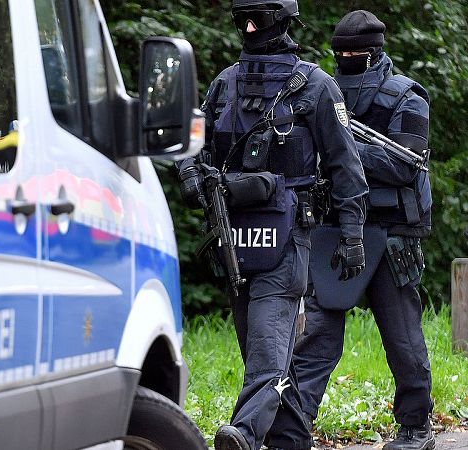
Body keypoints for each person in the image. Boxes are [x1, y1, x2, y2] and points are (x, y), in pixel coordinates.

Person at [177, 2, 368, 449]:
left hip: (288, 238)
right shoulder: (226, 84)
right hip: (235, 236)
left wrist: (353, 232)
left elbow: (346, 165)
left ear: (281, 20)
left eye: (257, 19)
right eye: (240, 18)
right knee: (260, 350)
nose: (247, 28)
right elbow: (194, 144)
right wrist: (190, 172)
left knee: (267, 345)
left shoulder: (316, 87)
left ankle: (242, 433)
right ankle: (290, 442)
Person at [269, 10, 435, 450]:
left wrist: (342, 147)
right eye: (339, 53)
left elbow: (404, 164)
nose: (345, 59)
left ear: (376, 53)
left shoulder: (408, 98)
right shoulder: (321, 92)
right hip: (336, 227)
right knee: (318, 336)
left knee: (401, 336)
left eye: (354, 54)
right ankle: (292, 427)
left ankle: (416, 426)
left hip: (392, 230)